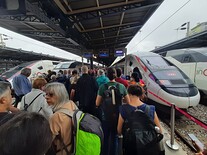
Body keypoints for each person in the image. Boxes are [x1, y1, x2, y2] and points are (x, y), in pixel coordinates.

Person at [117, 84, 162, 155]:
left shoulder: (123, 109)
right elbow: (159, 130)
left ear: (129, 94)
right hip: (148, 145)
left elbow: (119, 130)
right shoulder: (151, 109)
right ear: (140, 94)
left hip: (131, 145)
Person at [96, 67, 130, 155]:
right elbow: (128, 101)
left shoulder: (102, 87)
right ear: (116, 75)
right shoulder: (121, 86)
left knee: (106, 137)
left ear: (107, 75)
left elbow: (97, 103)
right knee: (115, 138)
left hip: (105, 116)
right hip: (118, 116)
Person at [45, 82, 78, 155]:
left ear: (59, 95)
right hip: (75, 149)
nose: (46, 97)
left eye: (50, 94)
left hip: (63, 151)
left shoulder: (56, 117)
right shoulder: (72, 105)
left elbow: (47, 142)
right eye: (46, 94)